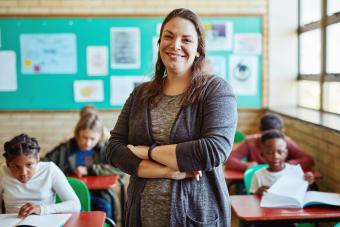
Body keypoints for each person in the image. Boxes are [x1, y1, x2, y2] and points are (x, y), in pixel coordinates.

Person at [107, 8, 237, 227]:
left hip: (196, 218)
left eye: (186, 39)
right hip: (140, 217)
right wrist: (166, 171)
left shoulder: (216, 90)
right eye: (168, 36)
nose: (175, 45)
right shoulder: (140, 94)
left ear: (198, 50)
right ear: (159, 44)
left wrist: (147, 151)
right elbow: (113, 149)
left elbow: (214, 150)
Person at [44, 112, 122, 220]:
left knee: (105, 207)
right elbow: (45, 163)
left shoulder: (105, 148)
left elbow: (121, 167)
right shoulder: (65, 148)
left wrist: (90, 170)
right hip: (70, 194)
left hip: (99, 194)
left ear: (99, 136)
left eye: (93, 139)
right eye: (85, 138)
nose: (88, 143)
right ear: (77, 133)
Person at [0, 134, 80, 217]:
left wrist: (42, 209)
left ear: (37, 158)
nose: (23, 173)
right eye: (16, 167)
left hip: (44, 222)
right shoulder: (2, 171)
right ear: (8, 163)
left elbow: (75, 205)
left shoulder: (50, 170)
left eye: (29, 165)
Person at [226, 113, 315, 171]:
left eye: (276, 137)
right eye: (267, 137)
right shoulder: (250, 142)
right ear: (260, 133)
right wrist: (246, 165)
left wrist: (288, 165)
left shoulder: (286, 142)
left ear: (282, 133)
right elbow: (230, 160)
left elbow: (308, 160)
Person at [250, 130, 314, 196]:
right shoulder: (258, 175)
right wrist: (258, 193)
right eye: (269, 153)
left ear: (286, 153)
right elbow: (251, 200)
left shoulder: (294, 172)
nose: (275, 156)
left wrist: (307, 182)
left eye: (280, 152)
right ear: (262, 155)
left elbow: (303, 194)